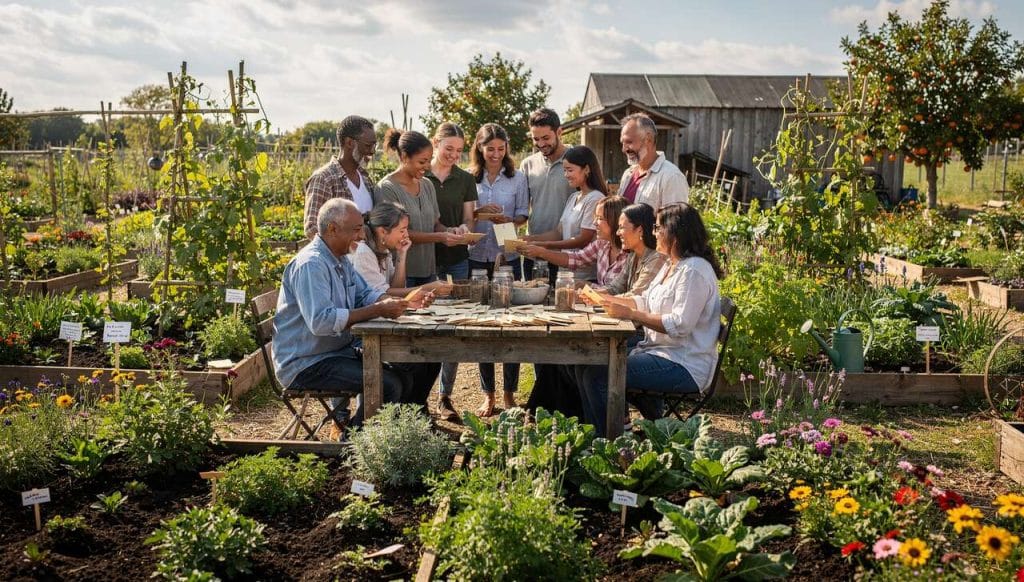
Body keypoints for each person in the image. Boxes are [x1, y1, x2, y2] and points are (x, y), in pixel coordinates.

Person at [272, 198, 438, 438]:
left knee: (404, 375)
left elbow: (365, 294)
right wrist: (379, 309)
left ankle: (389, 440)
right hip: (305, 362)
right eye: (356, 229)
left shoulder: (339, 259)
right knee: (388, 384)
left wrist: (405, 301)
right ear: (332, 229)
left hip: (335, 351)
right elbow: (321, 321)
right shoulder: (312, 264)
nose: (362, 236)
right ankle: (351, 446)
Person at [576, 203, 722, 437]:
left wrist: (631, 314)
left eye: (658, 228)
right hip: (660, 352)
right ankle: (596, 435)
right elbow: (644, 300)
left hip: (684, 364)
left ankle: (609, 441)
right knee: (588, 364)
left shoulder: (693, 270)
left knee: (598, 373)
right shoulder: (671, 265)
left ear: (674, 233)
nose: (653, 233)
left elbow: (680, 325)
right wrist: (603, 301)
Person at [457, 123, 530, 418]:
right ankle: (488, 394)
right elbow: (465, 215)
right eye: (491, 149)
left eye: (501, 149)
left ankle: (510, 393)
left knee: (509, 323)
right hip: (476, 255)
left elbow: (524, 215)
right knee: (481, 326)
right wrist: (477, 214)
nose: (496, 154)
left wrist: (505, 218)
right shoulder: (468, 179)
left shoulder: (517, 178)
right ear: (480, 148)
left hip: (506, 256)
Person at [374, 129, 464, 287]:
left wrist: (450, 231)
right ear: (404, 157)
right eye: (422, 162)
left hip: (428, 270)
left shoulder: (427, 185)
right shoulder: (387, 188)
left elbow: (435, 224)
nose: (427, 167)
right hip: (402, 273)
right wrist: (441, 237)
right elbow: (397, 234)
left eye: (429, 161)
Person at [523, 145, 607, 281]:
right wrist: (531, 239)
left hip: (584, 276)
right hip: (565, 273)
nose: (566, 175)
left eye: (570, 170)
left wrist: (545, 247)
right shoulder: (574, 197)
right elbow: (559, 232)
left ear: (586, 169)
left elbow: (583, 239)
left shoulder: (595, 198)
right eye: (564, 170)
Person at [350, 201, 452, 299]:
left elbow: (397, 288)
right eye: (402, 230)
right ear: (383, 231)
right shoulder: (364, 252)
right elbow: (382, 295)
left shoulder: (384, 251)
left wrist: (401, 254)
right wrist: (427, 288)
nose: (406, 235)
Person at [520, 195, 629, 287]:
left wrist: (588, 286)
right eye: (595, 218)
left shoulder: (630, 254)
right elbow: (575, 259)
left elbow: (620, 292)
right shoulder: (601, 245)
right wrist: (540, 252)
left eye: (600, 218)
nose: (595, 223)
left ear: (615, 221)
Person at [520, 108, 576, 284]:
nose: (541, 144)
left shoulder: (577, 159)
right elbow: (523, 209)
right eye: (536, 139)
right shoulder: (528, 164)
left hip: (565, 252)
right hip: (534, 251)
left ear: (559, 132)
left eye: (546, 138)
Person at [303, 115, 378, 239]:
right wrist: (345, 247)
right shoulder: (324, 179)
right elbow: (312, 229)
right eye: (368, 145)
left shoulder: (366, 179)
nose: (372, 151)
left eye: (374, 146)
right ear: (349, 143)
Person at [426, 122, 477, 282]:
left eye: (459, 151)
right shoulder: (420, 175)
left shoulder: (466, 179)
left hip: (457, 258)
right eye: (449, 149)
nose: (454, 155)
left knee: (459, 305)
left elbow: (469, 218)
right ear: (435, 142)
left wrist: (465, 228)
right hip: (426, 258)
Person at [618, 113, 690, 210]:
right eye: (623, 143)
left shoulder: (671, 177)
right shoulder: (628, 175)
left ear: (648, 139)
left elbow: (675, 223)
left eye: (629, 142)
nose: (624, 149)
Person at [600, 203, 666, 297]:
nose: (618, 233)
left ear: (640, 230)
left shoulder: (657, 258)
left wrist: (600, 298)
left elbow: (636, 296)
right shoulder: (633, 256)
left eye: (622, 227)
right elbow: (615, 288)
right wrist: (587, 294)